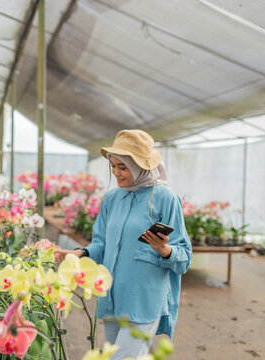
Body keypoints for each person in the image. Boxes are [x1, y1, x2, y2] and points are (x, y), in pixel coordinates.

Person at [55, 129, 192, 359]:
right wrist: (80, 253)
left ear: (140, 166)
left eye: (123, 167)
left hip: (143, 300)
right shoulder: (112, 199)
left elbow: (184, 257)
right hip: (111, 297)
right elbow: (101, 242)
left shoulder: (166, 199)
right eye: (113, 166)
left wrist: (165, 250)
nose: (116, 173)